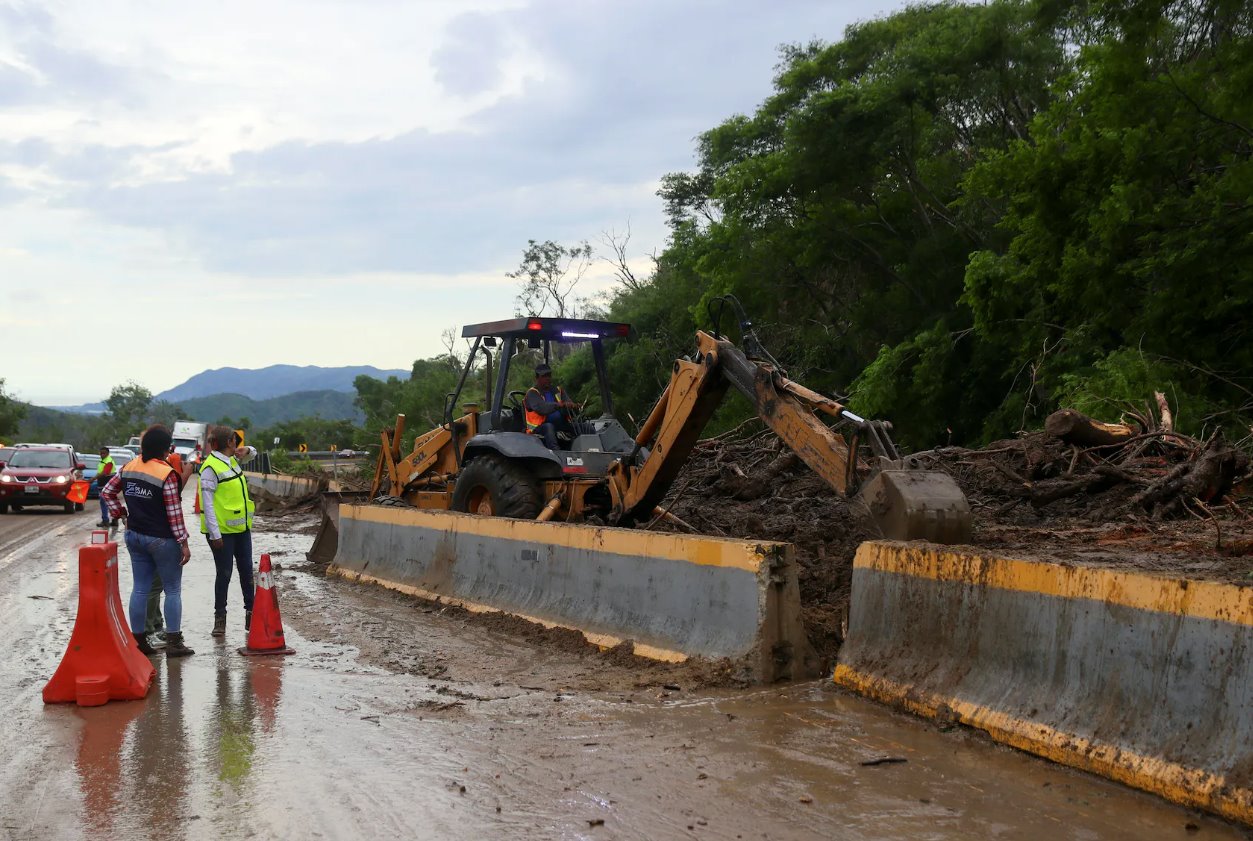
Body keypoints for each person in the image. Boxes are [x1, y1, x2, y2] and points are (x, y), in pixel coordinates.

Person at [99, 424, 194, 658]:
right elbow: (174, 513)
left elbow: (107, 492)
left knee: (140, 588)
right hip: (162, 539)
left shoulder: (128, 467)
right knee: (172, 589)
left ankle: (139, 641)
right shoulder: (166, 474)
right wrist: (183, 542)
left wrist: (121, 514)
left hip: (135, 536)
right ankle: (174, 643)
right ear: (166, 449)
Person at [198, 425, 256, 637]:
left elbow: (253, 454)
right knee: (224, 574)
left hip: (241, 529)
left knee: (247, 571)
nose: (237, 444)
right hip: (221, 533)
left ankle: (251, 615)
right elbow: (207, 504)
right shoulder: (210, 468)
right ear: (230, 442)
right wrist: (215, 535)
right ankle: (220, 619)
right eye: (235, 441)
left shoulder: (232, 461)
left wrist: (246, 450)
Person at [524, 364, 586, 450]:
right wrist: (559, 405)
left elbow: (567, 405)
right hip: (539, 428)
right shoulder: (532, 393)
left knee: (586, 427)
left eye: (549, 375)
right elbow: (542, 408)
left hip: (561, 425)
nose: (547, 378)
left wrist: (574, 407)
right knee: (549, 427)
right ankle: (556, 453)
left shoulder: (558, 390)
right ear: (537, 378)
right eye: (544, 376)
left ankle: (591, 451)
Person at [95, 446, 116, 527]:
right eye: (100, 453)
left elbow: (105, 473)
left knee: (104, 502)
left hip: (107, 485)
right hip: (103, 484)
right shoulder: (103, 461)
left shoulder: (109, 461)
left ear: (108, 453)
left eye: (103, 453)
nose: (102, 455)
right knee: (109, 502)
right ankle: (114, 519)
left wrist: (93, 478)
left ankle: (105, 520)